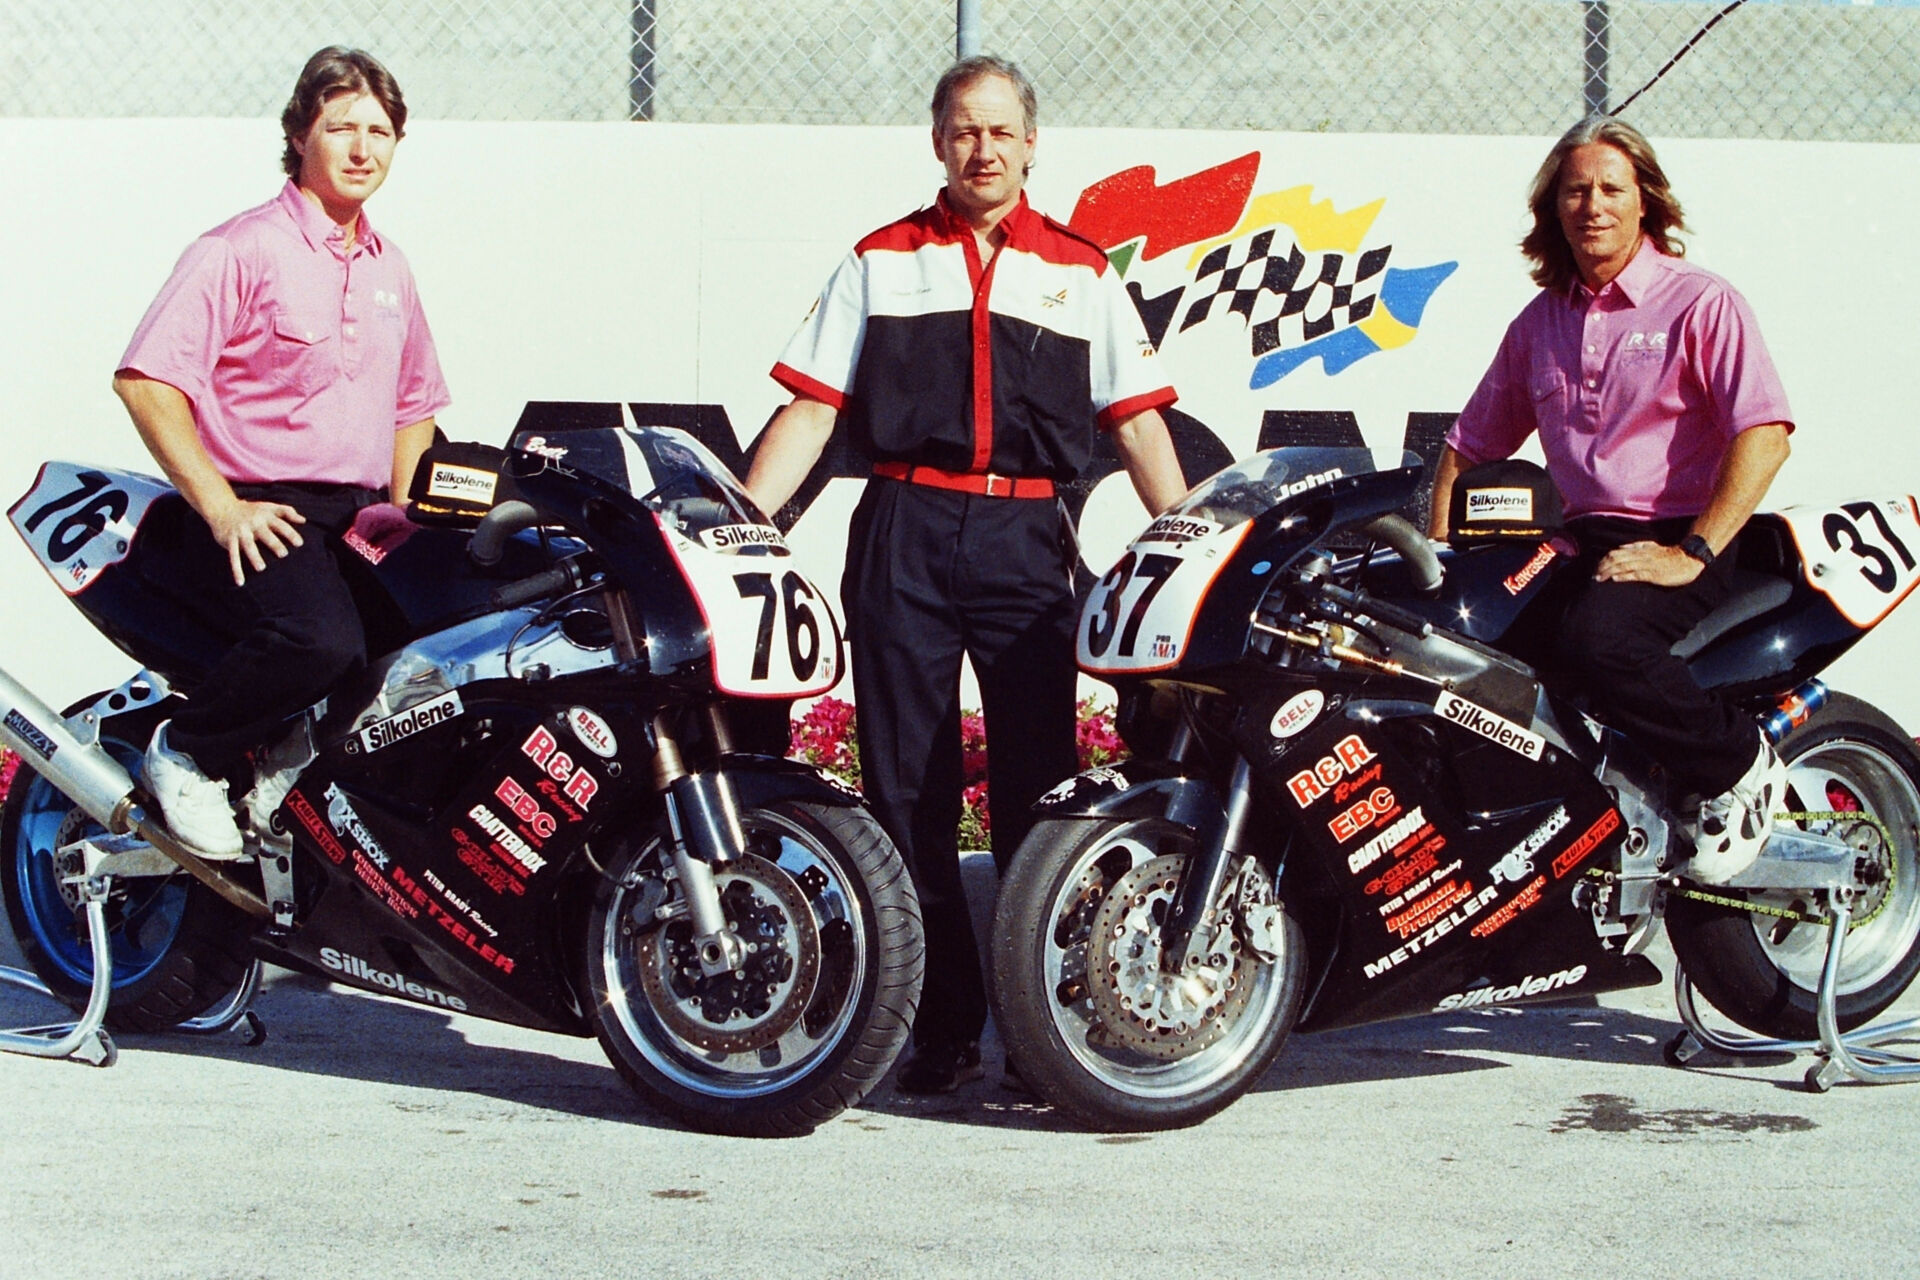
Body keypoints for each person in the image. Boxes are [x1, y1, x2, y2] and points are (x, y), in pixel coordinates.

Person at [746, 56, 1188, 1093]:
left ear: (1032, 144)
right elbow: (810, 411)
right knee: (909, 786)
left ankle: (1038, 1034)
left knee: (1042, 784)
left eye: (1000, 131)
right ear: (937, 141)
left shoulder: (1082, 270)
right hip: (903, 525)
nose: (981, 149)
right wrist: (746, 523)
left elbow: (1139, 424)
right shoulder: (880, 259)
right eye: (962, 131)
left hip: (1028, 541)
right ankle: (937, 1022)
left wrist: (1193, 539)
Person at [1428, 115, 1792, 885]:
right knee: (1467, 651)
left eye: (1611, 189)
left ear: (1645, 204)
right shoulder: (1541, 323)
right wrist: (1439, 566)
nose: (1593, 205)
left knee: (1599, 641)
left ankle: (1737, 765)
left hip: (1686, 536)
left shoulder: (1700, 302)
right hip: (1580, 539)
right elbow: (1467, 448)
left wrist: (1689, 552)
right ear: (1552, 208)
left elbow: (1764, 435)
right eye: (1574, 190)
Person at [114, 47, 450, 861]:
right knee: (320, 640)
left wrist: (406, 522)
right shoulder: (239, 249)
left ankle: (292, 786)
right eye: (342, 127)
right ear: (301, 134)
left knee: (440, 656)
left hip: (359, 513)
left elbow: (414, 408)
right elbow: (146, 381)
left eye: (380, 131)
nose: (363, 148)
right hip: (261, 502)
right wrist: (222, 507)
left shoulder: (390, 269)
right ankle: (188, 751)